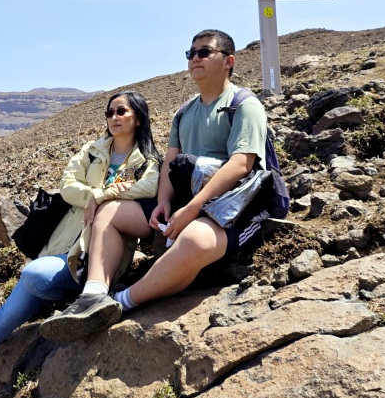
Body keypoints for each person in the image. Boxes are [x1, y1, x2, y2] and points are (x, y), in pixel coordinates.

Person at [39, 29, 272, 343]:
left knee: (194, 242)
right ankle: (93, 295)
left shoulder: (244, 105)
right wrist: (164, 201)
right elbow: (169, 164)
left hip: (233, 208)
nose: (195, 59)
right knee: (110, 211)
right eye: (191, 54)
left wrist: (190, 209)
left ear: (229, 61)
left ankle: (121, 303)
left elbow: (240, 164)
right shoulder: (185, 112)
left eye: (204, 52)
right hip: (188, 201)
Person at [0, 91, 161, 398]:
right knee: (13, 308)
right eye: (109, 112)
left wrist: (102, 198)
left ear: (138, 118)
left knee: (33, 277)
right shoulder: (92, 151)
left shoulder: (147, 160)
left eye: (121, 112)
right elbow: (67, 186)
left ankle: (89, 293)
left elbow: (149, 187)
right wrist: (99, 195)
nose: (113, 117)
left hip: (105, 253)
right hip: (65, 249)